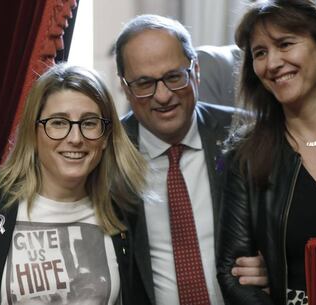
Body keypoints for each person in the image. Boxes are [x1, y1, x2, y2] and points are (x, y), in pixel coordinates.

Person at [0, 63, 147, 305]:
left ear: (105, 138)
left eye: (89, 123)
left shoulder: (121, 212)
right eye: (58, 123)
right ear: (33, 133)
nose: (75, 138)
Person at [114, 14, 268, 305]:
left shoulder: (248, 135)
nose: (162, 96)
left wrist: (274, 264)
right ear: (125, 87)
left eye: (174, 77)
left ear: (195, 70)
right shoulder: (107, 154)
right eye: (144, 83)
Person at [216, 0, 316, 304]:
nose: (272, 63)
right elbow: (233, 274)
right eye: (260, 53)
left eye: (285, 44)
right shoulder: (244, 156)